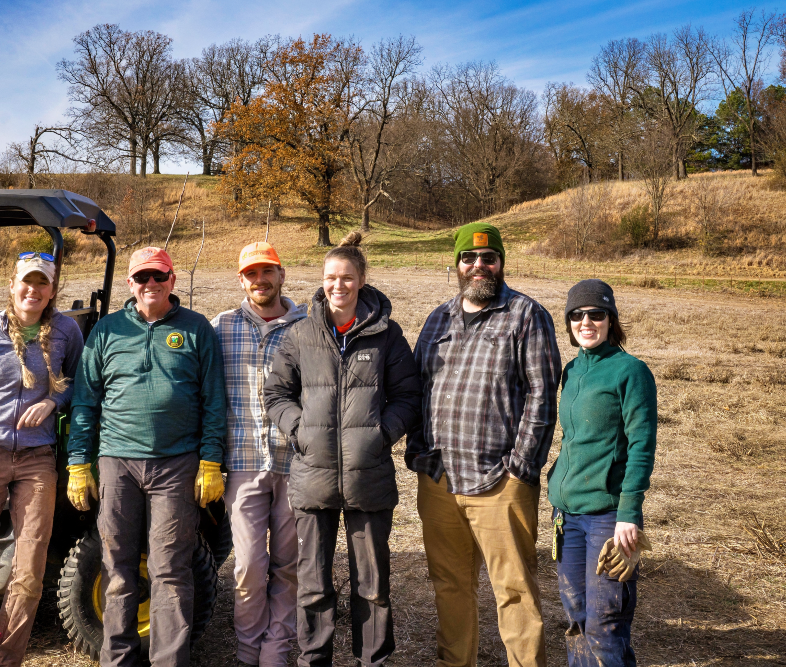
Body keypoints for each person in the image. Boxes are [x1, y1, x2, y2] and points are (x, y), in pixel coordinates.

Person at [405, 222, 562, 667]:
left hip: (501, 480)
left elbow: (542, 393)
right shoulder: (439, 318)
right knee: (449, 584)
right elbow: (417, 387)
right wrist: (419, 453)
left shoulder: (526, 315)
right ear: (456, 265)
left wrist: (521, 467)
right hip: (440, 479)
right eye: (469, 258)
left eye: (488, 257)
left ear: (501, 263)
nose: (479, 266)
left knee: (514, 589)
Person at [264, 231, 421, 667]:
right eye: (331, 277)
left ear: (362, 280)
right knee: (313, 583)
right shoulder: (299, 335)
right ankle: (314, 659)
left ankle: (373, 660)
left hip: (367, 475)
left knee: (371, 584)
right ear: (321, 279)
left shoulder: (387, 336)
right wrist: (301, 433)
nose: (339, 285)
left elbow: (409, 397)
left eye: (348, 277)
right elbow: (276, 394)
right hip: (313, 476)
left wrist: (379, 434)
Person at [65, 246, 227, 667]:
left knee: (170, 569)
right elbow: (85, 403)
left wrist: (211, 460)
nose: (150, 284)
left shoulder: (196, 330)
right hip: (117, 463)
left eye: (158, 276)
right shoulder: (105, 331)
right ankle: (117, 659)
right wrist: (79, 463)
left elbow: (214, 401)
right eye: (142, 278)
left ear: (172, 280)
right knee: (116, 566)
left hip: (177, 465)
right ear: (130, 284)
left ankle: (169, 661)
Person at [0, 251, 84, 667]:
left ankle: (6, 660)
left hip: (36, 460)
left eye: (42, 283)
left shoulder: (66, 331)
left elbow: (78, 384)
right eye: (27, 281)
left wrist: (52, 401)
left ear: (52, 290)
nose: (33, 290)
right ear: (12, 285)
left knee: (28, 571)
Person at [547, 279, 657, 667]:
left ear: (611, 320)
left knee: (605, 625)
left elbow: (642, 445)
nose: (586, 322)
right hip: (567, 516)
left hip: (607, 519)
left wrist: (629, 513)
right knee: (576, 619)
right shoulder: (572, 371)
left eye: (596, 314)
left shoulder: (631, 372)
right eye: (577, 315)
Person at [211, 242, 307, 667]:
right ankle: (249, 650)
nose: (260, 280)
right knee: (249, 567)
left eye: (267, 271)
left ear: (281, 275)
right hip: (244, 464)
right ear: (241, 280)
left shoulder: (308, 326)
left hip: (297, 462)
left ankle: (276, 649)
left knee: (289, 566)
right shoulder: (221, 327)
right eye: (251, 273)